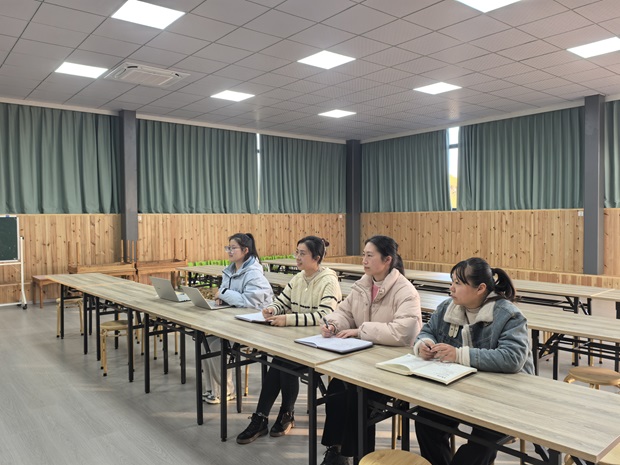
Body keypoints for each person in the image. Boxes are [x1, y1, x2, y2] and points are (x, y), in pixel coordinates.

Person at [412, 257, 534, 465]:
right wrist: (425, 343)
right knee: (426, 422)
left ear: (480, 289)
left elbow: (512, 358)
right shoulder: (448, 307)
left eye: (458, 283)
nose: (451, 288)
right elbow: (427, 331)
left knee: (477, 446)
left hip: (503, 397)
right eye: (452, 282)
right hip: (461, 390)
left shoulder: (508, 315)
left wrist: (459, 355)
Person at [319, 235, 422, 465]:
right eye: (363, 255)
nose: (364, 260)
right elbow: (344, 312)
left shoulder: (405, 291)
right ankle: (336, 449)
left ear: (387, 260)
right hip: (361, 361)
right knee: (336, 389)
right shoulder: (362, 285)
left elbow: (404, 332)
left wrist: (360, 331)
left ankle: (360, 457)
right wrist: (333, 324)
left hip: (391, 367)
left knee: (358, 398)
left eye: (369, 255)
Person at [236, 236, 342, 444]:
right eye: (297, 252)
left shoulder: (329, 281)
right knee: (280, 361)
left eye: (302, 254)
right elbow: (282, 302)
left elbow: (325, 316)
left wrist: (288, 319)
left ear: (316, 257)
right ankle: (269, 416)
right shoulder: (299, 278)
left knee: (284, 362)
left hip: (320, 342)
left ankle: (274, 415)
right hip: (297, 339)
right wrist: (272, 309)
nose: (297, 257)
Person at [202, 233, 273, 404]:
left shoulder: (254, 273)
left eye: (233, 248)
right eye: (228, 247)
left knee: (216, 345)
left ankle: (225, 391)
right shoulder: (230, 270)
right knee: (205, 340)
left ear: (245, 250)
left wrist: (223, 294)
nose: (229, 251)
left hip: (254, 323)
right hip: (235, 319)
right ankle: (213, 389)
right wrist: (221, 298)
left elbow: (248, 301)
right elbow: (226, 293)